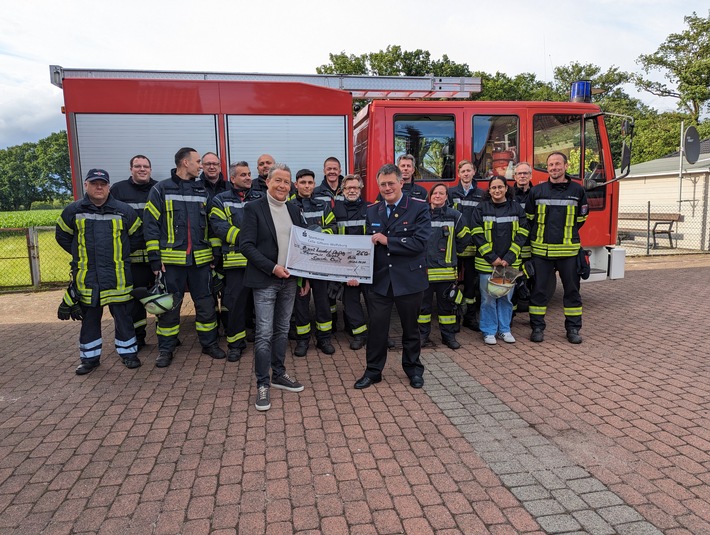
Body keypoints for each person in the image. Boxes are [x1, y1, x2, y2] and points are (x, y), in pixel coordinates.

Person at [143, 147, 226, 367]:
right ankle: (166, 349)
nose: (201, 165)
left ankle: (209, 344)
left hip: (201, 262)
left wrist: (215, 254)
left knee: (206, 304)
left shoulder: (202, 191)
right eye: (198, 161)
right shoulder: (160, 190)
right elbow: (151, 226)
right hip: (171, 263)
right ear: (184, 162)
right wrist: (154, 258)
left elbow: (212, 225)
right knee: (170, 308)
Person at [56, 169, 142, 374]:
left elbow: (138, 237)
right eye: (94, 183)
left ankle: (129, 354)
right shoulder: (73, 211)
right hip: (88, 278)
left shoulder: (124, 210)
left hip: (118, 278)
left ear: (108, 186)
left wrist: (121, 254)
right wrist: (81, 255)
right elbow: (63, 236)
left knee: (124, 319)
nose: (99, 187)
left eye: (103, 183)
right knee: (90, 321)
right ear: (86, 185)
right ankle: (89, 359)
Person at [354, 163, 431, 390]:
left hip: (409, 280)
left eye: (391, 183)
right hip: (380, 281)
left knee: (410, 329)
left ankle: (413, 370)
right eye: (382, 184)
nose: (387, 188)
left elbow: (419, 242)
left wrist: (389, 241)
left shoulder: (418, 207)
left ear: (401, 182)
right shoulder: (372, 210)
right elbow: (366, 247)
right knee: (377, 329)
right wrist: (355, 270)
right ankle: (373, 371)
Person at [240, 163, 309, 411]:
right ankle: (262, 383)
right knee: (264, 334)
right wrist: (272, 267)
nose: (282, 185)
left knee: (282, 331)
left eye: (286, 181)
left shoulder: (293, 208)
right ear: (267, 182)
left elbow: (303, 245)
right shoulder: (254, 208)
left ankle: (279, 374)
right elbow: (246, 245)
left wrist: (305, 277)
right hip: (266, 280)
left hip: (290, 281)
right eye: (277, 180)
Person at [526, 152, 588, 344]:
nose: (554, 168)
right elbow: (529, 219)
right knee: (539, 292)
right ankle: (537, 328)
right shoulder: (537, 191)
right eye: (551, 164)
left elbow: (581, 218)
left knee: (572, 292)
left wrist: (565, 235)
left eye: (558, 164)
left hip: (568, 252)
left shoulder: (578, 191)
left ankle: (573, 329)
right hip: (541, 252)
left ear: (566, 166)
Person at [208, 161, 264, 362]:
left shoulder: (261, 197)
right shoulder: (219, 200)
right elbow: (220, 228)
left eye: (249, 174)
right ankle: (235, 345)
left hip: (259, 262)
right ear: (232, 178)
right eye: (243, 175)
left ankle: (263, 341)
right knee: (235, 306)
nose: (249, 177)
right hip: (236, 263)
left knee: (262, 304)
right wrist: (250, 239)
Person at [470, 176, 528, 344]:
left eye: (500, 187)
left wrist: (509, 258)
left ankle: (504, 330)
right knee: (488, 298)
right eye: (493, 188)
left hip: (509, 264)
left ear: (506, 188)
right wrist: (493, 258)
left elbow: (523, 233)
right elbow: (476, 234)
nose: (497, 190)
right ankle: (488, 331)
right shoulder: (481, 208)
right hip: (487, 264)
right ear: (489, 190)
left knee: (506, 298)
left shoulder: (516, 208)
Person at [110, 155, 159, 351]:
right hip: (133, 259)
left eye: (145, 166)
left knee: (160, 298)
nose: (142, 169)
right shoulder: (118, 190)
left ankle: (166, 335)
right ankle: (139, 337)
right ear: (130, 169)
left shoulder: (158, 188)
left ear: (150, 169)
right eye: (137, 166)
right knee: (136, 301)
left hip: (156, 258)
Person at [290, 168, 337, 357]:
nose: (307, 186)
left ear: (314, 185)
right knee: (300, 303)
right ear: (296, 185)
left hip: (320, 263)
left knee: (323, 302)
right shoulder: (289, 206)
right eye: (303, 183)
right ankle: (302, 341)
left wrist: (316, 237)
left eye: (310, 183)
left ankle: (324, 339)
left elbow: (332, 228)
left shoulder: (323, 206)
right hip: (299, 264)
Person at [418, 183, 469, 349]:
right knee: (423, 308)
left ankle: (448, 337)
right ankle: (422, 336)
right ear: (430, 196)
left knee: (447, 307)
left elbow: (465, 238)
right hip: (424, 271)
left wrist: (453, 252)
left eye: (441, 193)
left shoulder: (455, 216)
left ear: (447, 197)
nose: (437, 196)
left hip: (445, 272)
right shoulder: (421, 214)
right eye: (435, 193)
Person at [332, 174, 369, 350]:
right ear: (343, 190)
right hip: (345, 266)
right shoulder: (335, 210)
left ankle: (379, 336)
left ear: (360, 189)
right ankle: (359, 334)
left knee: (375, 304)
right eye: (348, 188)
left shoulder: (371, 208)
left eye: (355, 187)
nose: (352, 190)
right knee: (351, 302)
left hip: (368, 267)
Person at [449, 160, 484, 331]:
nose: (466, 173)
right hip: (454, 247)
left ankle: (470, 318)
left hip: (473, 247)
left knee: (471, 284)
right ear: (459, 173)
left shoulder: (481, 194)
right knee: (452, 283)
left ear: (473, 172)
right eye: (463, 171)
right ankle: (454, 316)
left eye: (469, 170)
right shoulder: (450, 193)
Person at [511, 162, 534, 311]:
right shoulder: (509, 194)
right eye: (519, 173)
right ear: (514, 176)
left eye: (525, 173)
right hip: (513, 244)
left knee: (533, 279)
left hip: (531, 244)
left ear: (530, 176)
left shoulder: (537, 193)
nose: (522, 176)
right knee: (512, 278)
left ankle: (532, 316)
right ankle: (511, 316)